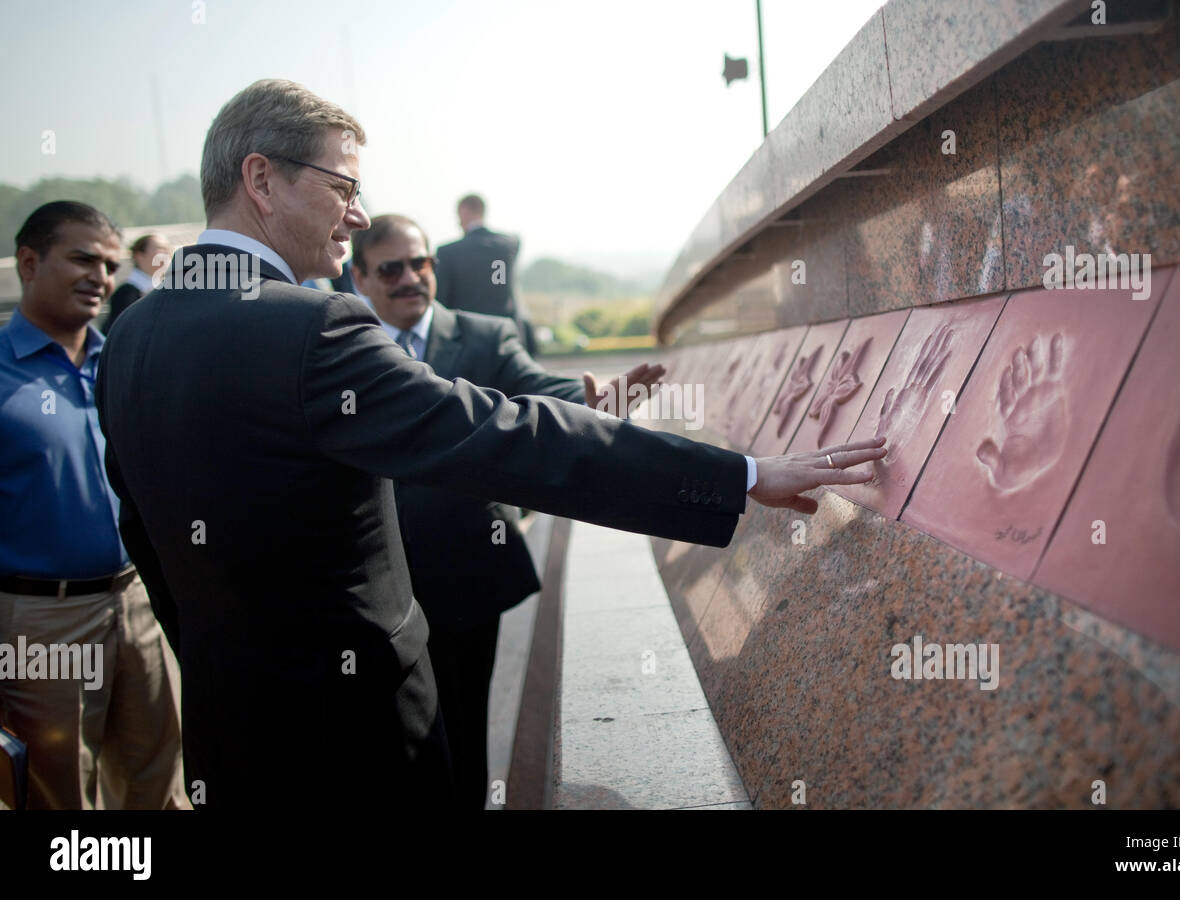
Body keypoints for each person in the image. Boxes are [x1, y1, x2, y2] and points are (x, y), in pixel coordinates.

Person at [95, 79, 887, 809]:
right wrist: (740, 474)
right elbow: (500, 435)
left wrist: (217, 663)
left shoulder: (129, 339)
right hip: (359, 736)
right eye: (342, 187)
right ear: (262, 180)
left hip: (230, 733)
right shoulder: (311, 327)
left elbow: (147, 540)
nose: (360, 215)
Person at [351, 214, 663, 808]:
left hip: (466, 573)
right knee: (389, 741)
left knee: (463, 726)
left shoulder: (483, 336)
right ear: (360, 277)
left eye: (421, 264)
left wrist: (590, 401)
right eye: (391, 268)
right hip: (375, 590)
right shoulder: (348, 347)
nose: (411, 277)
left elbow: (537, 388)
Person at [0, 201, 186, 809]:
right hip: (40, 623)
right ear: (29, 262)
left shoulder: (126, 361)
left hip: (137, 602)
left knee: (157, 779)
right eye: (81, 258)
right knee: (60, 796)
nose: (100, 278)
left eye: (109, 264)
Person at [435, 194, 537, 352]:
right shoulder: (508, 244)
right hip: (507, 332)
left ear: (464, 211)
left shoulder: (447, 252)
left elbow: (442, 299)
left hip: (467, 336)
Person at [104, 233, 170, 332]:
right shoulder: (125, 294)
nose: (167, 253)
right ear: (139, 256)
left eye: (168, 249)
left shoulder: (168, 289)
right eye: (160, 248)